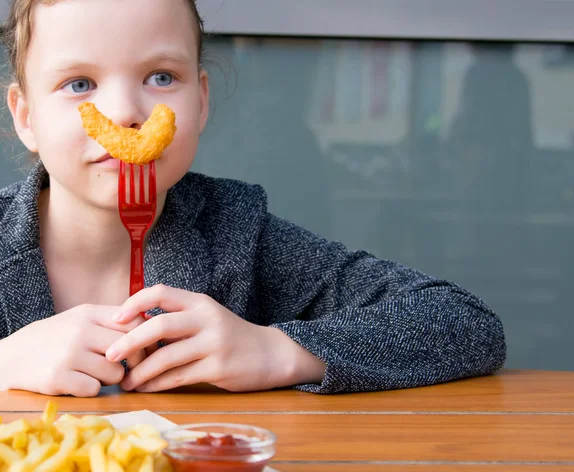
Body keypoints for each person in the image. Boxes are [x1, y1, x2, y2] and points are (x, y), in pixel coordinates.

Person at [0, 0, 506, 397]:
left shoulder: (237, 233)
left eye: (160, 77)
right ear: (26, 117)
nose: (125, 113)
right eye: (79, 83)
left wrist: (275, 349)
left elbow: (465, 323)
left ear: (199, 101)